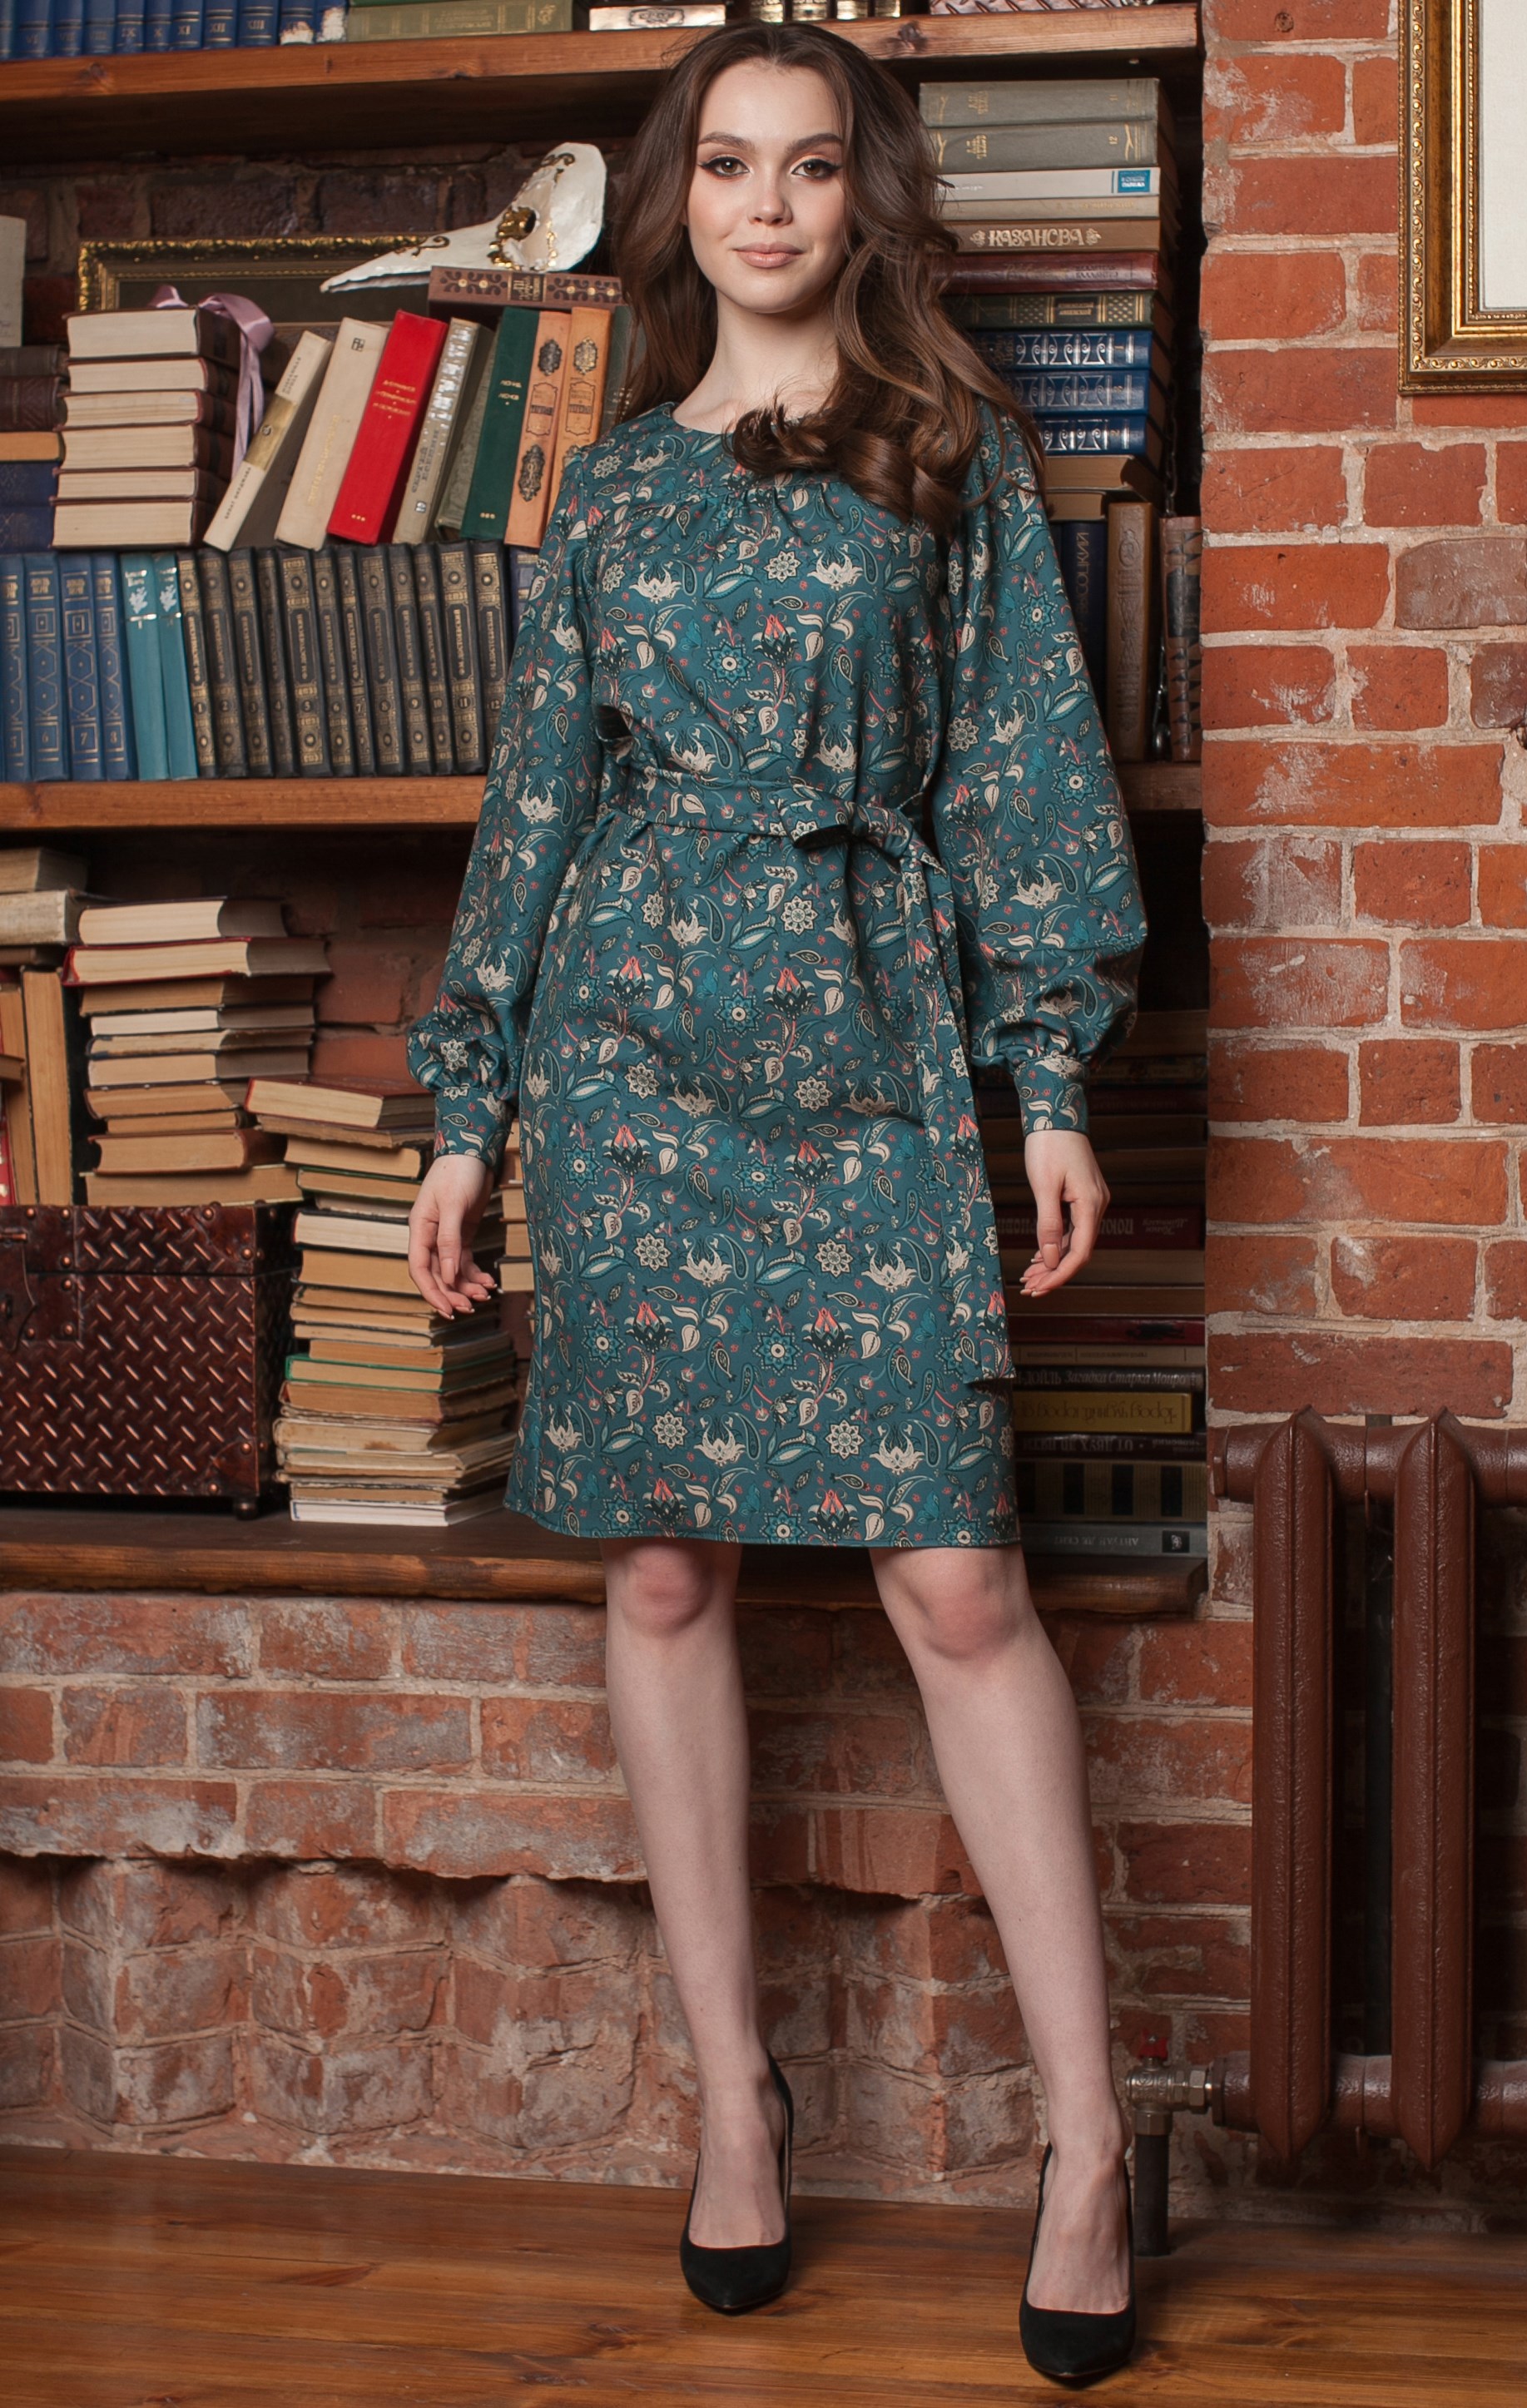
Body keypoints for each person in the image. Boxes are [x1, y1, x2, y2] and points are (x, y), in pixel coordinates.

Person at [407, 21, 1148, 2386]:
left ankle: (1093, 2145)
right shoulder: (613, 491)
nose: (763, 204)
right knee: (659, 1567)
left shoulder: (953, 458)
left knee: (956, 1579)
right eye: (724, 163)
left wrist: (1048, 1080)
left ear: (861, 201)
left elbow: (1029, 780)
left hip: (872, 1047)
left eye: (809, 166)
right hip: (630, 1067)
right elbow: (538, 802)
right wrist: (464, 1112)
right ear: (679, 202)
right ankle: (734, 2100)